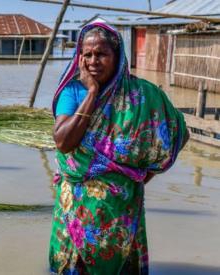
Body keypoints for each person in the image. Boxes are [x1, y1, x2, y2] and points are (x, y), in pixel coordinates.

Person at [49, 22, 189, 274]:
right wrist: (91, 93)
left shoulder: (143, 95)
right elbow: (63, 142)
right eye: (87, 54)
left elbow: (178, 134)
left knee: (121, 264)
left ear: (117, 57)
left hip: (121, 204)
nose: (93, 61)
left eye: (101, 54)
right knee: (75, 265)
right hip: (76, 203)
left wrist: (141, 177)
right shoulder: (73, 91)